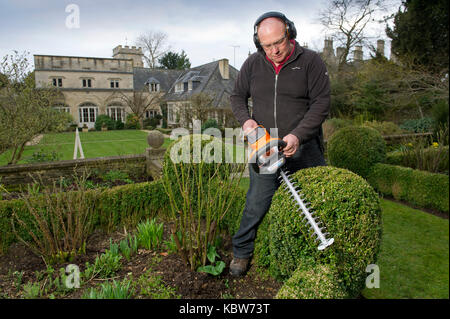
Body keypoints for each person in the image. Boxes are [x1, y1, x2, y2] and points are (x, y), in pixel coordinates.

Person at [229, 11, 331, 277]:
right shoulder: (252, 64)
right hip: (266, 150)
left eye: (279, 42)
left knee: (312, 204)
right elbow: (237, 96)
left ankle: (314, 260)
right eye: (267, 46)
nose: (274, 50)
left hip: (304, 148)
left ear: (290, 33)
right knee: (256, 204)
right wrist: (246, 122)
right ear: (258, 44)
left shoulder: (310, 62)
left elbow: (321, 103)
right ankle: (241, 253)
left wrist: (298, 135)